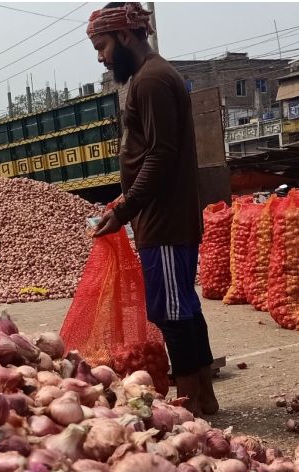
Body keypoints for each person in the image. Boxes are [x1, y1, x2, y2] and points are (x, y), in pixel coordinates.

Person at [88, 2, 219, 417]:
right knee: (183, 307)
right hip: (163, 217)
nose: (101, 57)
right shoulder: (153, 76)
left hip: (163, 221)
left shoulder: (151, 80)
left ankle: (189, 404)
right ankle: (203, 396)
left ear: (125, 36)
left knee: (172, 312)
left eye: (103, 46)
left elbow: (161, 155)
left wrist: (125, 209)